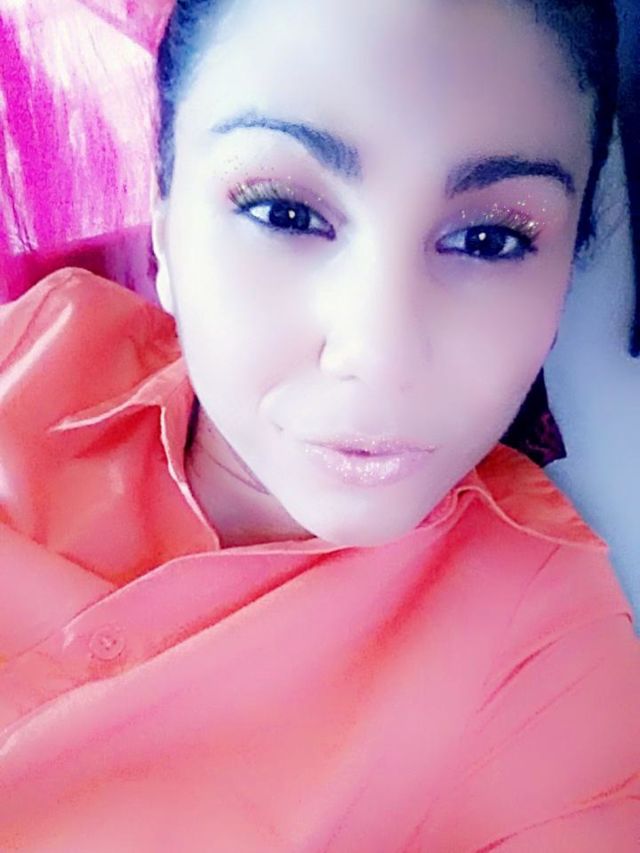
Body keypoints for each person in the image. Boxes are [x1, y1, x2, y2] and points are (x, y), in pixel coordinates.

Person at [0, 0, 638, 849]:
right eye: (285, 213)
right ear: (164, 218)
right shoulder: (40, 341)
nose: (379, 354)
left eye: (490, 239)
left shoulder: (546, 652)